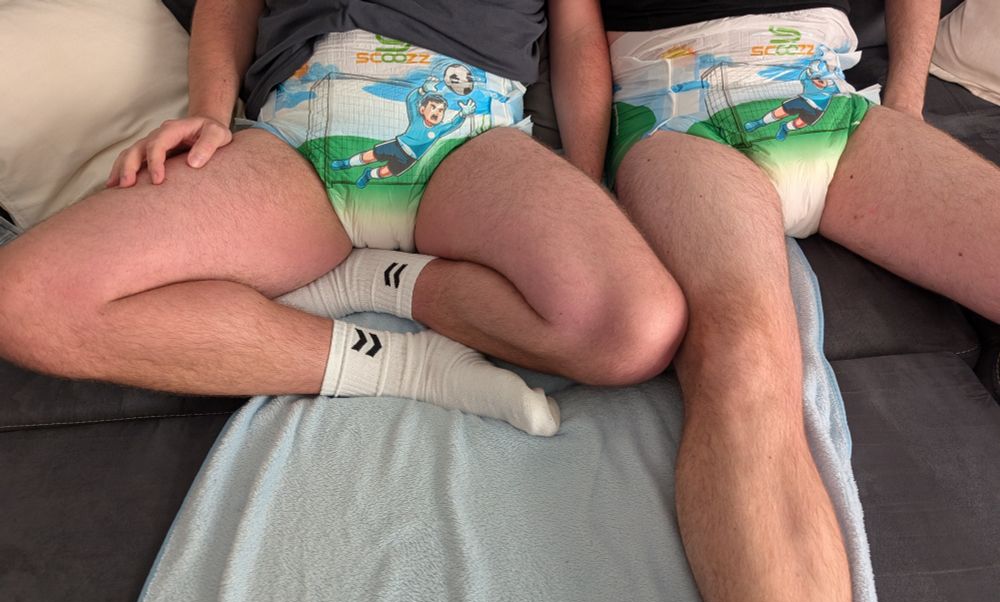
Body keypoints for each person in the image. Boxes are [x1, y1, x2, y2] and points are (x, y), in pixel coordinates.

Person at [0, 0, 687, 436]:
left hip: (467, 132)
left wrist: (583, 176)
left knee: (635, 331)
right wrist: (209, 115)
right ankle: (405, 366)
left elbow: (578, 34)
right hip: (294, 132)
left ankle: (384, 280)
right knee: (23, 302)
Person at [560, 0, 1000, 602]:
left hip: (823, 97)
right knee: (742, 359)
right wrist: (584, 184)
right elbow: (576, 31)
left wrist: (905, 106)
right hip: (675, 110)